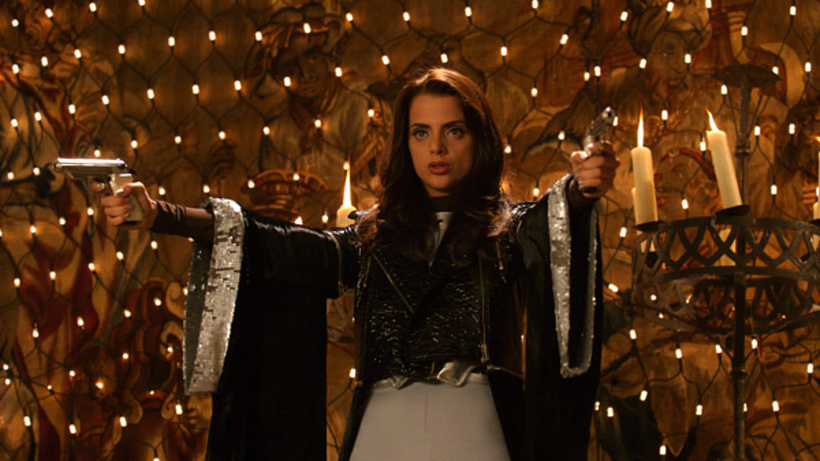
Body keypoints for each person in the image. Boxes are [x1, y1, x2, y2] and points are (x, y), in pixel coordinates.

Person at [96, 68, 620, 461]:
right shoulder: (370, 238)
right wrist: (162, 214)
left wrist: (582, 188)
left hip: (477, 430)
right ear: (405, 143)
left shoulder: (512, 230)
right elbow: (274, 244)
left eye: (454, 131)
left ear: (479, 138)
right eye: (420, 132)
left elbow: (559, 216)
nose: (436, 147)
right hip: (382, 433)